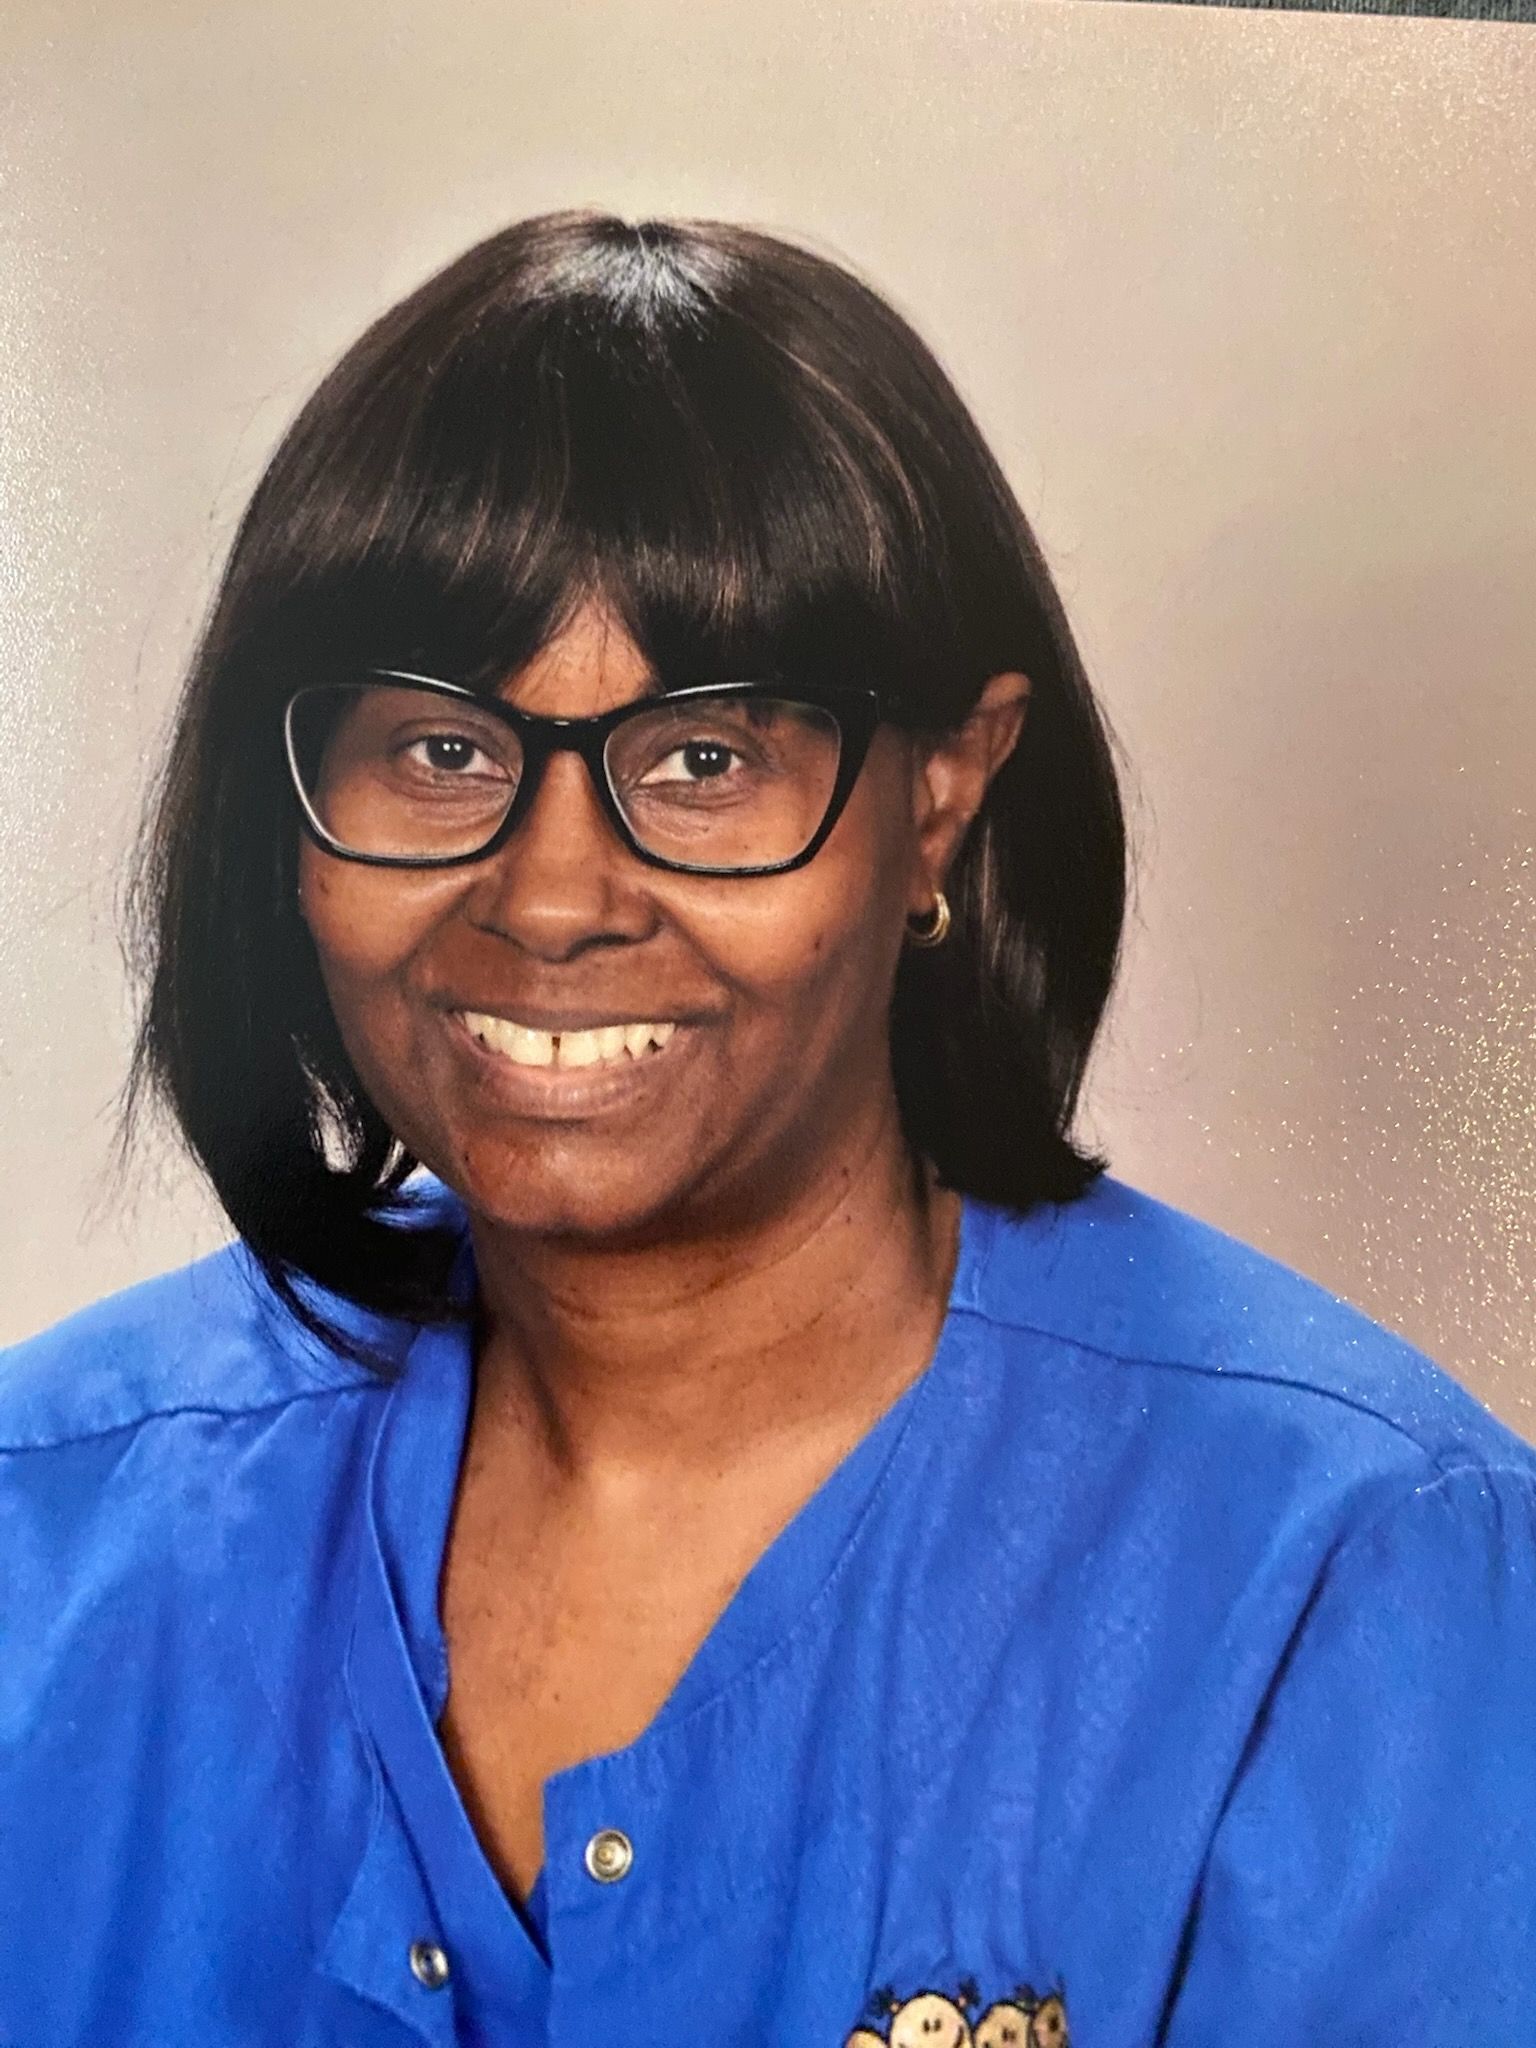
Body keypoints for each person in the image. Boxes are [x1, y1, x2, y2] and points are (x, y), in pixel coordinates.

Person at [0, 209, 1531, 2048]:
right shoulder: (45, 1532)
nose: (551, 898)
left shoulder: (1353, 1580)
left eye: (706, 759)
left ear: (942, 799)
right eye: (440, 750)